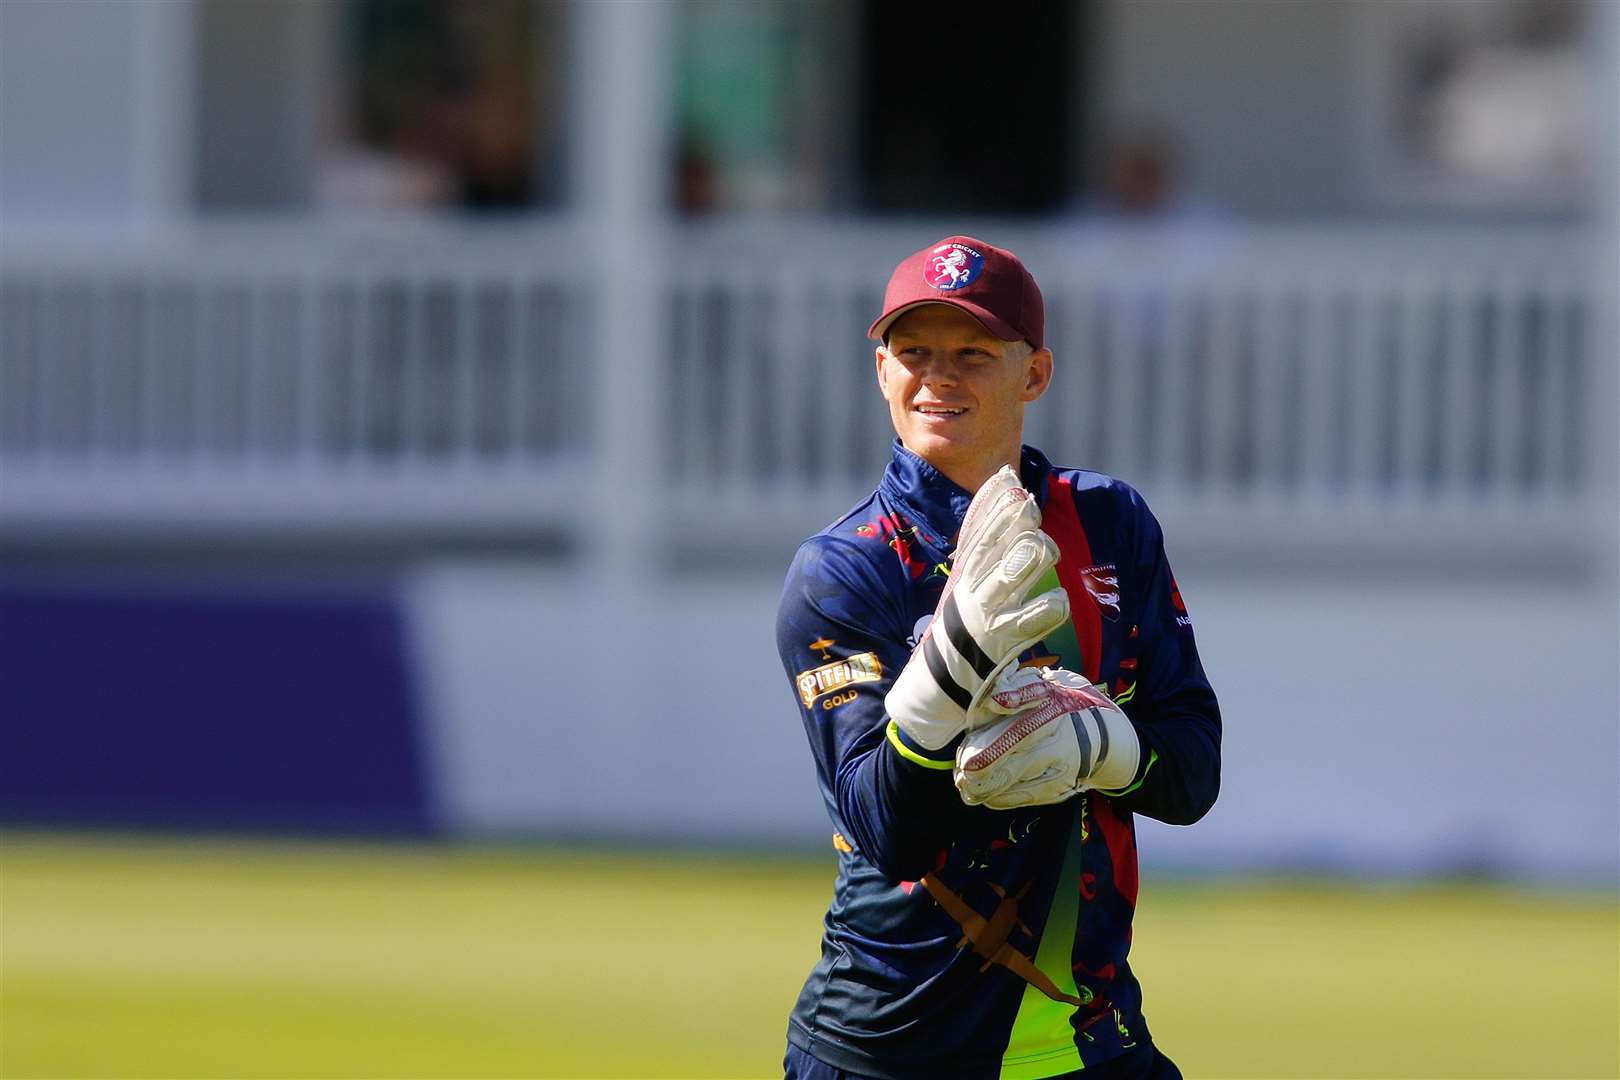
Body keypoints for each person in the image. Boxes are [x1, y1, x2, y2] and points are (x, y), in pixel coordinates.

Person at [775, 236, 1222, 1080]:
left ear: (1035, 375)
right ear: (881, 373)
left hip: (1092, 1042)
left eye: (974, 354)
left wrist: (1102, 746)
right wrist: (944, 679)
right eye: (913, 353)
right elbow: (886, 831)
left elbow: (1195, 769)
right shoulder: (844, 568)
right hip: (890, 1049)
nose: (938, 377)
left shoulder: (1112, 523)